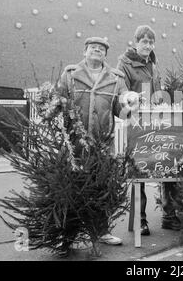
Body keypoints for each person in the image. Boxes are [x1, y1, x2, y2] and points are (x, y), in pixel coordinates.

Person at [57, 36, 138, 246]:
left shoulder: (117, 78)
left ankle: (102, 232)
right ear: (85, 51)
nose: (97, 51)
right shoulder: (70, 75)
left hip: (102, 144)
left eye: (101, 49)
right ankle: (68, 235)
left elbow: (120, 110)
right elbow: (58, 103)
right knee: (72, 189)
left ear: (106, 55)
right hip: (74, 144)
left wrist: (130, 107)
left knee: (100, 189)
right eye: (93, 48)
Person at [117, 25, 181, 235]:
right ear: (136, 42)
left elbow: (158, 92)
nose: (148, 45)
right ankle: (140, 220)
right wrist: (134, 103)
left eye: (151, 42)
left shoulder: (153, 64)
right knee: (139, 172)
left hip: (156, 122)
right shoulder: (124, 64)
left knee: (167, 166)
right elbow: (122, 92)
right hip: (137, 124)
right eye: (144, 41)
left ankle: (170, 216)